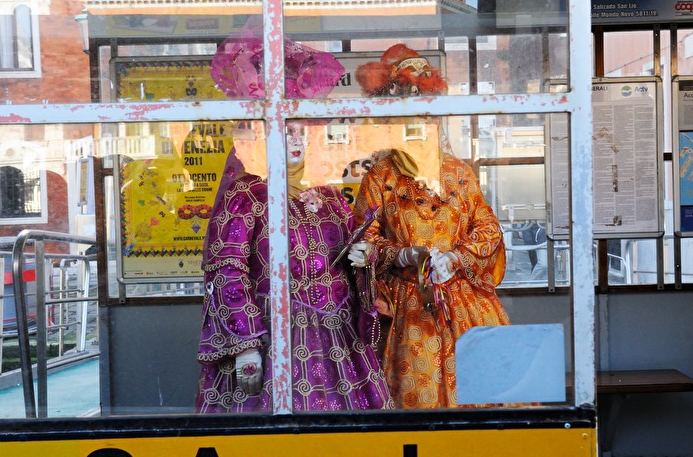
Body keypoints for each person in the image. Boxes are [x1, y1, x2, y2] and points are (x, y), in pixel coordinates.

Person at [195, 32, 392, 413]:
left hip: (338, 336)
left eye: (301, 130)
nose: (296, 140)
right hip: (274, 338)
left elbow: (352, 251)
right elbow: (227, 268)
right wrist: (246, 343)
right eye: (286, 132)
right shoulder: (246, 196)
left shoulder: (330, 197)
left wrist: (363, 258)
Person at [352, 43, 511, 409]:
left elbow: (487, 228)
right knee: (416, 401)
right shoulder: (381, 176)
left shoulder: (458, 173)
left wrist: (456, 259)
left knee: (483, 398)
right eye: (406, 115)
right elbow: (363, 240)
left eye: (426, 113)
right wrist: (402, 254)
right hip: (408, 310)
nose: (417, 123)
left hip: (466, 307)